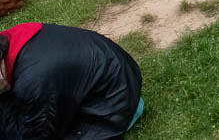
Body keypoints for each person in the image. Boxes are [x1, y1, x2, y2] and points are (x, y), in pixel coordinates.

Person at [0, 22, 143, 137]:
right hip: (104, 83)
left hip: (111, 107)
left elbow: (37, 133)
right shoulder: (13, 38)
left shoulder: (34, 81)